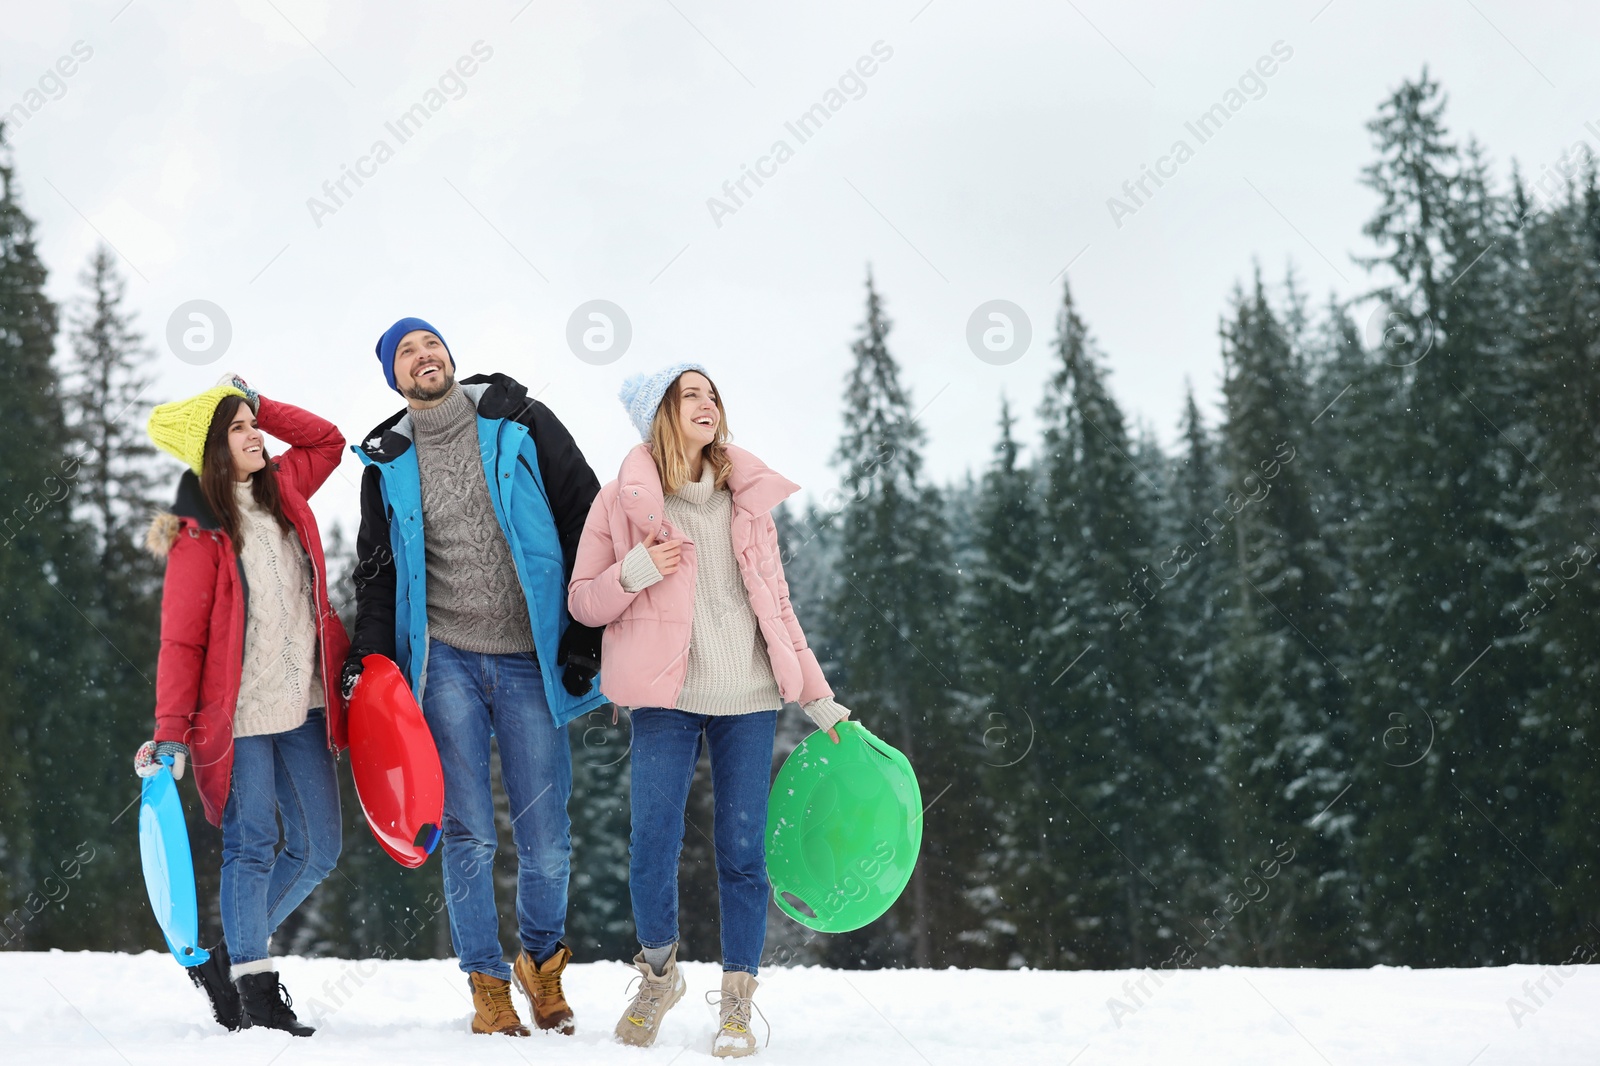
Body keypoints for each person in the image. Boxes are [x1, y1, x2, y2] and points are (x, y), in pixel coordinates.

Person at [568, 364, 853, 1058]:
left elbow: (778, 606)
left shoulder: (745, 502)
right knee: (652, 847)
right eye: (690, 395)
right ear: (660, 416)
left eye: (712, 394)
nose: (708, 404)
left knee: (743, 853)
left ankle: (736, 1002)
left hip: (749, 698)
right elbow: (583, 602)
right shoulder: (619, 504)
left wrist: (816, 696)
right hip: (666, 700)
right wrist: (637, 570)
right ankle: (660, 976)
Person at [344, 317, 606, 1037]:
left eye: (431, 344)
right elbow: (375, 573)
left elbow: (587, 512)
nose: (423, 356)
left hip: (529, 653)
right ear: (393, 378)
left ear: (451, 357)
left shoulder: (518, 418)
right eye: (406, 352)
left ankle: (542, 964)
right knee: (468, 834)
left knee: (546, 834)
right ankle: (487, 983)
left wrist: (585, 630)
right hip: (447, 660)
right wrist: (370, 657)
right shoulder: (386, 462)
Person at [135, 374, 348, 1037]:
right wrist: (170, 731)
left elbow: (328, 440)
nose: (255, 435)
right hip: (242, 716)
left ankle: (231, 953)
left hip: (304, 704)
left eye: (252, 425)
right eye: (237, 429)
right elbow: (180, 640)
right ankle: (255, 988)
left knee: (320, 848)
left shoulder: (285, 491)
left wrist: (259, 404)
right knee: (252, 847)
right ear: (213, 451)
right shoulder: (199, 533)